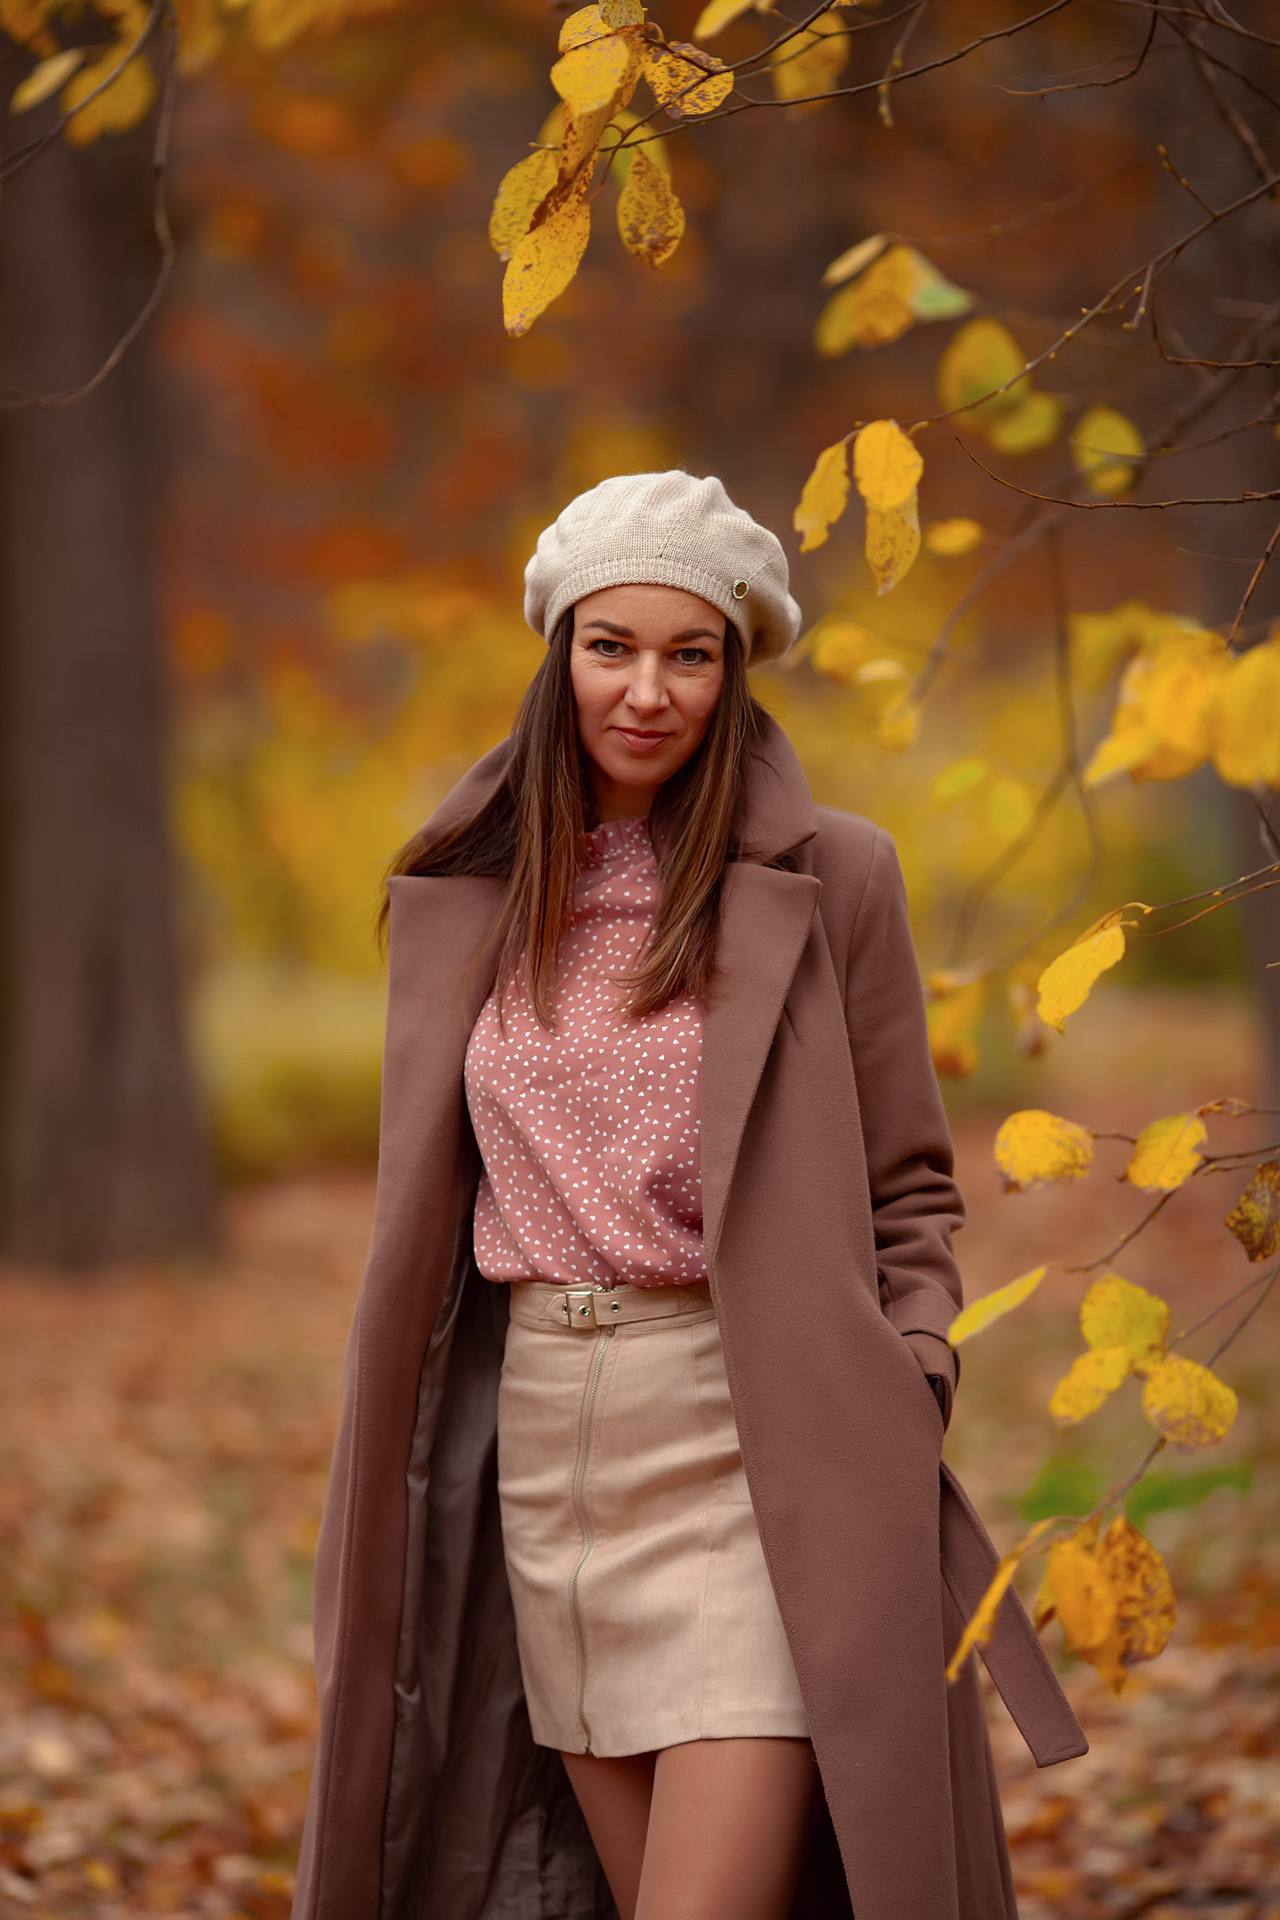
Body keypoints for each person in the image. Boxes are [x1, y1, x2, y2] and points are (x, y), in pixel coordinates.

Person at [291, 473, 1086, 1920]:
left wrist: (910, 1373)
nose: (647, 690)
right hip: (548, 1454)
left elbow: (912, 1182)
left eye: (691, 651)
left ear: (736, 663)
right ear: (559, 653)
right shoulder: (473, 890)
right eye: (612, 646)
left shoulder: (831, 877)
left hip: (758, 1443)